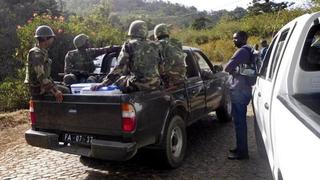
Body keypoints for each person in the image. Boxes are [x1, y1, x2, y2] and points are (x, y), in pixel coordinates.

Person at [91, 20, 162, 93]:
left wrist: (103, 84)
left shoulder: (129, 45)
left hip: (138, 85)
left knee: (120, 80)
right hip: (156, 84)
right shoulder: (155, 45)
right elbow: (161, 66)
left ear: (132, 32)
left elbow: (119, 68)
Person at [224, 31, 252, 160]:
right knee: (240, 123)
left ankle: (242, 153)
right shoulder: (249, 50)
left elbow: (227, 68)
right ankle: (240, 148)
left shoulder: (241, 51)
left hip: (239, 91)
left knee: (240, 123)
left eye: (235, 38)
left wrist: (233, 70)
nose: (233, 40)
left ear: (243, 38)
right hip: (244, 89)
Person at [24, 25, 70, 103]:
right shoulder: (37, 54)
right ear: (45, 38)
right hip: (38, 89)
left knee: (65, 86)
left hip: (42, 86)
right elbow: (41, 77)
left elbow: (46, 76)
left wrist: (54, 84)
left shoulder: (42, 51)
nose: (53, 40)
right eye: (51, 37)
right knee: (65, 91)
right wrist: (55, 91)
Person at [154, 23, 186, 88]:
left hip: (168, 82)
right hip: (181, 80)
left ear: (156, 34)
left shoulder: (157, 45)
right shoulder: (177, 42)